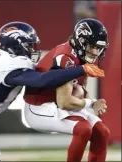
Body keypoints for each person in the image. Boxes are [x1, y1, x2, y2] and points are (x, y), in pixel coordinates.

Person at [0, 21, 103, 162]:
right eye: (29, 46)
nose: (32, 50)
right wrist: (80, 69)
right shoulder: (14, 65)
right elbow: (42, 80)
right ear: (17, 45)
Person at [23, 18, 110, 162]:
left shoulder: (82, 55)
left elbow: (79, 87)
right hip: (39, 107)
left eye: (98, 48)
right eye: (92, 46)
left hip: (56, 102)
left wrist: (84, 96)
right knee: (83, 129)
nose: (95, 52)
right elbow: (64, 101)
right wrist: (91, 103)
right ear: (81, 42)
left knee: (102, 133)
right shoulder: (65, 57)